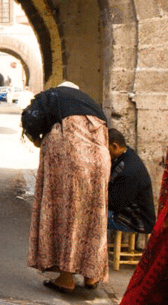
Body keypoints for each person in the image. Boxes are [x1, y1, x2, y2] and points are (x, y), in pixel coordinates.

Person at [22, 81, 111, 293]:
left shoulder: (53, 96)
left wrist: (37, 140)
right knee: (93, 214)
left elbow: (30, 117)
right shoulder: (90, 105)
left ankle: (66, 278)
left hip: (70, 157)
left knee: (67, 212)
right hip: (100, 159)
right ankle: (91, 275)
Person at [107, 128, 155, 234]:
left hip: (138, 221)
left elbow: (114, 204)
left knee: (91, 217)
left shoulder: (129, 169)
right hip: (127, 210)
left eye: (106, 149)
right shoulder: (127, 155)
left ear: (114, 146)